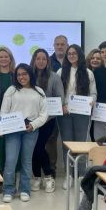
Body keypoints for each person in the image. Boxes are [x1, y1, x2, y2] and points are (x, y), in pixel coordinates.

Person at [0, 63, 48, 203]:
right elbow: (4, 111)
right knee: (11, 160)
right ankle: (8, 189)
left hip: (31, 130)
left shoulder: (39, 91)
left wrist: (33, 125)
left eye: (24, 74)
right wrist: (2, 127)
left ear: (30, 74)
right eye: (19, 74)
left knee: (27, 161)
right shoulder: (11, 90)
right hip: (12, 130)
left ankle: (24, 189)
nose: (22, 77)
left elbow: (44, 114)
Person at [57, 44, 97, 189]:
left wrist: (92, 102)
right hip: (65, 112)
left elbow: (93, 93)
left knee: (81, 143)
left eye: (74, 53)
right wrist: (63, 104)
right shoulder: (61, 71)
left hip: (82, 113)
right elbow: (58, 92)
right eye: (69, 53)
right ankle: (69, 175)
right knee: (66, 143)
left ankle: (81, 175)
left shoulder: (88, 73)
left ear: (79, 55)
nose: (72, 55)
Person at [29, 48, 64, 193]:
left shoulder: (54, 77)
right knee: (34, 149)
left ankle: (48, 176)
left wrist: (44, 118)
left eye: (44, 59)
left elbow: (60, 98)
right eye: (38, 58)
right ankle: (37, 177)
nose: (41, 61)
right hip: (30, 121)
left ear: (48, 61)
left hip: (48, 120)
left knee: (39, 147)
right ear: (34, 60)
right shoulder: (28, 75)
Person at [46, 35, 69, 177]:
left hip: (70, 109)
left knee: (69, 140)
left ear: (67, 45)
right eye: (57, 44)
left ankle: (71, 172)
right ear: (53, 45)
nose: (60, 47)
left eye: (63, 44)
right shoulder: (47, 61)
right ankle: (51, 169)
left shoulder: (73, 61)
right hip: (52, 109)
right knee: (51, 140)